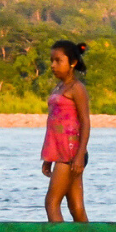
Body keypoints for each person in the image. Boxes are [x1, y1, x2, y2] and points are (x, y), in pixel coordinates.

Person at [42, 39, 91, 222]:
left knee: (51, 203)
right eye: (51, 61)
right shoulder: (59, 87)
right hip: (61, 153)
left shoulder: (77, 88)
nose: (53, 65)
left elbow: (85, 122)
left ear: (73, 63)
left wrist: (79, 155)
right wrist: (48, 157)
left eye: (58, 61)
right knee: (76, 207)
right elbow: (53, 124)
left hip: (70, 154)